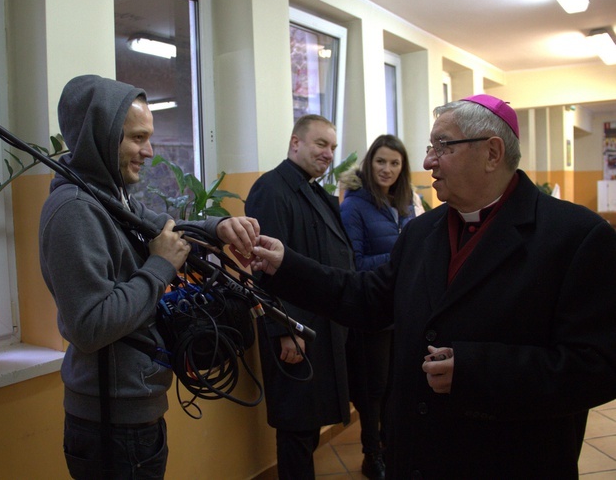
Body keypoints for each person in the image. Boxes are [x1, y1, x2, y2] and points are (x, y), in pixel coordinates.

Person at [250, 94, 616, 479]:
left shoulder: (576, 237)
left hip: (508, 459)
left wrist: (478, 371)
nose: (427, 161)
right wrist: (286, 265)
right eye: (429, 147)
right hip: (418, 457)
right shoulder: (423, 232)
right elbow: (366, 297)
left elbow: (599, 366)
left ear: (492, 153)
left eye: (443, 146)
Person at [39, 75, 259, 479]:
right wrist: (159, 267)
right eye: (137, 138)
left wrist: (216, 229)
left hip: (132, 409)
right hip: (112, 420)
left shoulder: (107, 195)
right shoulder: (74, 210)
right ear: (102, 137)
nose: (149, 151)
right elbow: (88, 325)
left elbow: (165, 229)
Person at [244, 114, 354, 480]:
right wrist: (285, 329)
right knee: (296, 426)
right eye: (321, 144)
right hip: (294, 329)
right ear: (295, 143)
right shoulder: (271, 189)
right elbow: (263, 267)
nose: (328, 154)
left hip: (318, 323)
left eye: (333, 147)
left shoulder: (312, 189)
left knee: (308, 426)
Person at [338, 134, 416, 479]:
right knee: (373, 389)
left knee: (398, 384)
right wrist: (400, 256)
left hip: (404, 310)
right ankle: (373, 455)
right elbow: (353, 263)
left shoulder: (405, 202)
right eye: (381, 161)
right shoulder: (354, 205)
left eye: (395, 163)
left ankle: (391, 446)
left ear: (403, 169)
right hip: (372, 312)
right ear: (370, 164)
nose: (387, 169)